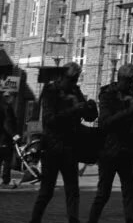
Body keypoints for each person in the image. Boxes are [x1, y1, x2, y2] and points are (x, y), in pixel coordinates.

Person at [30, 61, 95, 223]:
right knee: (47, 191)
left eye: (76, 79)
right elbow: (49, 119)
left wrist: (91, 108)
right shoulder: (51, 91)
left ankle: (73, 219)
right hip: (52, 146)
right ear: (63, 76)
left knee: (72, 190)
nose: (74, 83)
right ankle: (35, 220)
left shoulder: (75, 90)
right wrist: (74, 110)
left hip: (70, 146)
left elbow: (89, 116)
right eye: (71, 79)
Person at [89, 63, 133, 223]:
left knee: (130, 192)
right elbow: (105, 122)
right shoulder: (107, 94)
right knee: (103, 193)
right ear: (121, 78)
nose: (131, 84)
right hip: (109, 150)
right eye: (129, 81)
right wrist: (130, 110)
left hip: (127, 149)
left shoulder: (132, 92)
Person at [0, 90, 20, 187]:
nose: (13, 99)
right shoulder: (7, 108)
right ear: (9, 97)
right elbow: (7, 123)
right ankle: (5, 180)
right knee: (7, 160)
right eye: (13, 97)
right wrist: (14, 135)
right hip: (4, 139)